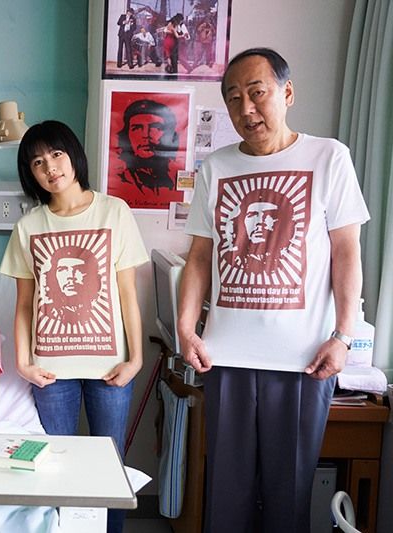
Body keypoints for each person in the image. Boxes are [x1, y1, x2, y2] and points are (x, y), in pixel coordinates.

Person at [178, 48, 369, 532]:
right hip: (227, 358)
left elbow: (346, 252)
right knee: (226, 498)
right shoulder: (215, 167)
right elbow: (199, 256)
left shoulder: (329, 157)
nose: (246, 109)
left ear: (287, 93)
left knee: (289, 498)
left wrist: (344, 336)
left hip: (303, 360)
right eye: (233, 98)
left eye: (257, 93)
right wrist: (185, 327)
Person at [0, 120, 147, 533]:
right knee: (54, 465)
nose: (50, 167)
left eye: (56, 154)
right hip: (51, 371)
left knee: (109, 465)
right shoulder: (29, 227)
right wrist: (24, 362)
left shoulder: (114, 211)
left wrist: (136, 359)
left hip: (111, 368)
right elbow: (24, 304)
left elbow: (128, 294)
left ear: (74, 155)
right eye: (37, 162)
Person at [117, 98, 180, 195]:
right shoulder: (119, 179)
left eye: (155, 127)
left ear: (170, 135)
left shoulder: (175, 179)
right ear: (126, 136)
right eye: (137, 128)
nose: (145, 135)